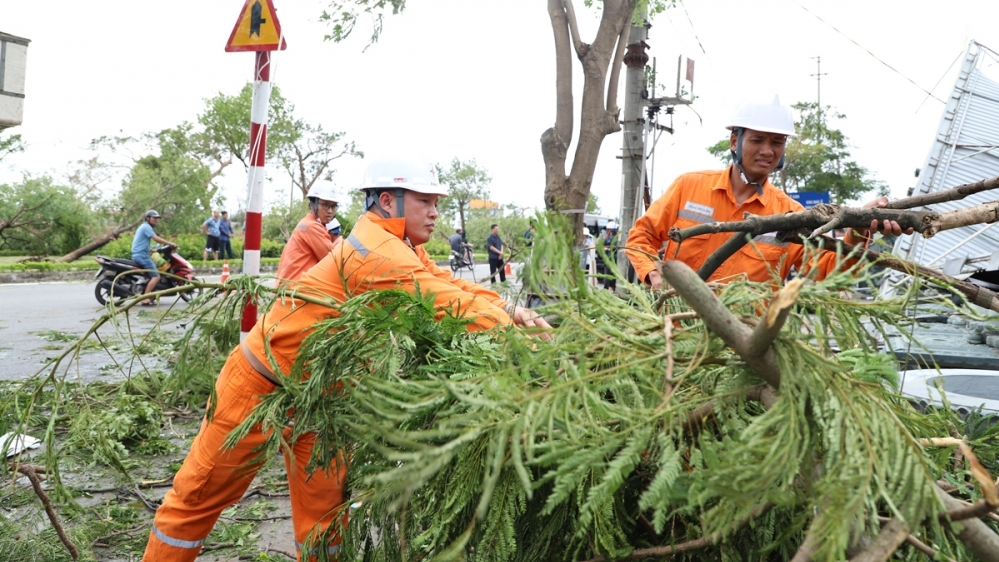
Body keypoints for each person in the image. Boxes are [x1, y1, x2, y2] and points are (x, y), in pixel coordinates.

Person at [141, 156, 550, 562]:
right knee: (197, 499)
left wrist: (509, 309)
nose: (435, 212)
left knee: (324, 523)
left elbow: (446, 282)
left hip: (323, 398)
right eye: (425, 201)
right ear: (388, 201)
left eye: (436, 202)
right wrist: (533, 350)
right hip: (261, 384)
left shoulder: (401, 245)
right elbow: (448, 305)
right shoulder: (377, 251)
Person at [626, 94, 908, 289]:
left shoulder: (791, 215)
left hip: (745, 345)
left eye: (777, 142)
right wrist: (653, 274)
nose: (767, 151)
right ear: (734, 141)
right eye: (758, 140)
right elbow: (641, 237)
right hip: (677, 336)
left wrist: (858, 228)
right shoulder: (689, 187)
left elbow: (829, 269)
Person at [276, 181, 339, 282]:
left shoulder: (307, 224)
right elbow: (335, 262)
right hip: (297, 289)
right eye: (325, 205)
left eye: (333, 206)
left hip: (291, 287)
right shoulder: (312, 227)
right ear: (311, 205)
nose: (330, 211)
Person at [131, 210, 176, 306]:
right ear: (147, 218)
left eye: (157, 218)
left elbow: (141, 243)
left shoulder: (143, 227)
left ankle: (149, 294)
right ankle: (145, 298)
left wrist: (152, 250)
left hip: (139, 254)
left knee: (152, 275)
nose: (156, 220)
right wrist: (170, 243)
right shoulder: (146, 227)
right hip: (142, 256)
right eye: (154, 218)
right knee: (156, 276)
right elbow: (155, 238)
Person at [596, 221, 619, 290]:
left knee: (608, 276)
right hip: (610, 260)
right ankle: (610, 288)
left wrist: (605, 248)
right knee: (610, 275)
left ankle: (608, 289)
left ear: (609, 230)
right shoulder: (609, 238)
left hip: (610, 259)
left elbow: (612, 248)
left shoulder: (613, 238)